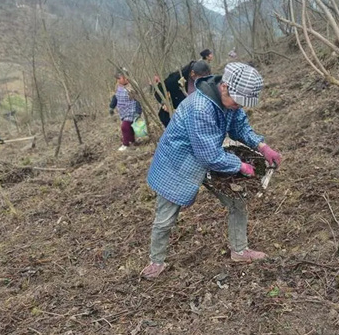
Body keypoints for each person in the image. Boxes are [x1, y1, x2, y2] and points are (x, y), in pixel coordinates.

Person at [141, 62, 282, 279]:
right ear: (224, 87)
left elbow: (240, 127)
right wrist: (240, 166)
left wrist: (262, 146)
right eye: (236, 102)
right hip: (178, 162)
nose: (237, 106)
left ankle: (240, 250)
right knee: (165, 218)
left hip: (211, 153)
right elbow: (208, 155)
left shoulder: (229, 103)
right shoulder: (200, 107)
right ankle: (156, 261)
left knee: (238, 199)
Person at [155, 60, 211, 127]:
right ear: (192, 73)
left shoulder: (204, 82)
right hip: (175, 117)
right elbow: (159, 90)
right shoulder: (176, 78)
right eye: (202, 78)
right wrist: (164, 103)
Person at [114, 70, 142, 151]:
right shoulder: (118, 86)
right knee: (129, 127)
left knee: (124, 127)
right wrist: (112, 106)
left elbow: (137, 99)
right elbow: (116, 97)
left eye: (120, 78)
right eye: (117, 79)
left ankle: (125, 143)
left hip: (132, 109)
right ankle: (132, 141)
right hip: (123, 110)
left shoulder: (132, 86)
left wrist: (138, 112)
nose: (118, 81)